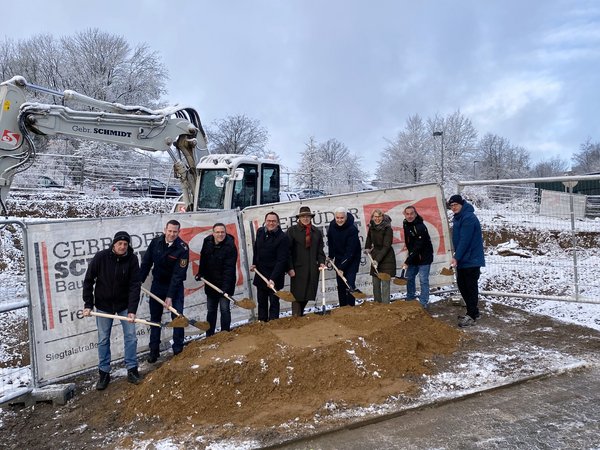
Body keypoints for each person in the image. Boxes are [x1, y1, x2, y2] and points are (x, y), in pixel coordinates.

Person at [82, 231, 142, 390]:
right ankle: (104, 373)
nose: (122, 246)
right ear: (114, 244)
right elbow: (88, 281)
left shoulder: (132, 259)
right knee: (103, 339)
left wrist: (132, 309)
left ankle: (132, 369)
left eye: (125, 244)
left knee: (131, 337)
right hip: (103, 305)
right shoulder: (101, 257)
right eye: (119, 243)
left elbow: (135, 285)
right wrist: (88, 304)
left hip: (124, 306)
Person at [139, 219, 189, 362]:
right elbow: (146, 263)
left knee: (178, 318)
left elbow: (178, 275)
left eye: (175, 231)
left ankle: (178, 350)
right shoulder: (156, 243)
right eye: (170, 231)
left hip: (175, 287)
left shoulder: (183, 248)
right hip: (157, 286)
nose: (172, 234)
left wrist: (170, 296)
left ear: (179, 232)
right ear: (165, 230)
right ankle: (154, 351)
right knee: (155, 319)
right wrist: (138, 282)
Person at [447, 194, 485, 327]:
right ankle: (473, 311)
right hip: (464, 258)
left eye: (455, 205)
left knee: (470, 287)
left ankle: (471, 316)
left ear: (461, 204)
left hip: (471, 259)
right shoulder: (459, 217)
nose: (453, 208)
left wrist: (456, 257)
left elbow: (465, 240)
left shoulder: (468, 217)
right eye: (451, 206)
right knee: (463, 285)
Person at [195, 222, 238, 336]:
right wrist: (201, 273)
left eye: (222, 232)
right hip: (210, 282)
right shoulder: (207, 241)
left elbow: (229, 270)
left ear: (225, 232)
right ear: (213, 233)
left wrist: (225, 289)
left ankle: (224, 334)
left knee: (224, 309)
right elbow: (203, 258)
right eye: (217, 232)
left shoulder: (230, 247)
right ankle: (210, 335)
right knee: (211, 310)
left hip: (225, 284)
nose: (220, 234)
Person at [287, 205, 326, 316]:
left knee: (308, 293)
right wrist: (289, 268)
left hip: (312, 268)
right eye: (303, 216)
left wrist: (321, 261)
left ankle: (300, 314)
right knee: (297, 294)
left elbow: (320, 250)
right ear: (299, 218)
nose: (305, 218)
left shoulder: (316, 232)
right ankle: (296, 316)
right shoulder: (292, 231)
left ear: (310, 217)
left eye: (307, 216)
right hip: (297, 269)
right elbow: (287, 251)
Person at [250, 212, 290, 322]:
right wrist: (254, 263)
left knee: (273, 302)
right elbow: (256, 250)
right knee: (261, 302)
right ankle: (262, 324)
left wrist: (272, 278)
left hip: (275, 275)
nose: (271, 223)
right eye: (268, 221)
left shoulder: (283, 238)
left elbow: (281, 260)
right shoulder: (260, 232)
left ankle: (274, 324)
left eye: (273, 221)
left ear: (277, 223)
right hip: (261, 274)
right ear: (265, 221)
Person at [327, 206, 362, 307]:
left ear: (346, 217)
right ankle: (343, 307)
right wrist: (330, 255)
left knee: (349, 283)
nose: (339, 220)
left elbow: (350, 251)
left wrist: (341, 267)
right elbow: (331, 242)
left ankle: (351, 307)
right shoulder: (332, 225)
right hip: (339, 258)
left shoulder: (352, 230)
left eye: (342, 218)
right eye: (337, 218)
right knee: (341, 284)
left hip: (352, 259)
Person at [402, 205, 434, 309]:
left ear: (415, 214)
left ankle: (423, 302)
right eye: (407, 214)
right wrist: (410, 256)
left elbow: (418, 246)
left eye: (412, 213)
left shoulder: (420, 227)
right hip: (414, 257)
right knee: (409, 277)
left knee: (423, 280)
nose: (409, 216)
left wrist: (407, 261)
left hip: (424, 257)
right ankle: (410, 298)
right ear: (405, 215)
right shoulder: (406, 224)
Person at [365, 208, 396, 304]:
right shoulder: (372, 226)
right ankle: (377, 305)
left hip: (387, 258)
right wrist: (367, 247)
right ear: (372, 217)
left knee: (385, 285)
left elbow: (386, 246)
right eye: (375, 216)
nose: (377, 219)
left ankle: (386, 306)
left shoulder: (388, 228)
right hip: (375, 256)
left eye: (379, 216)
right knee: (375, 283)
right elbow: (369, 238)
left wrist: (377, 260)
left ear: (382, 217)